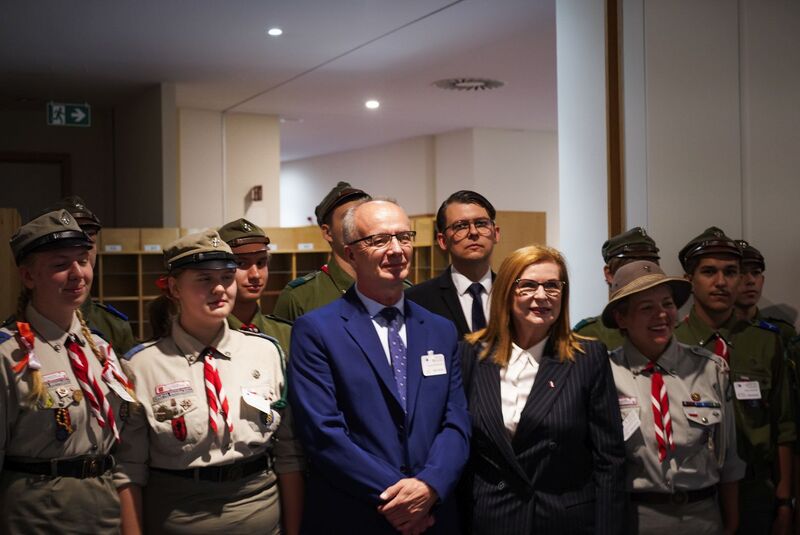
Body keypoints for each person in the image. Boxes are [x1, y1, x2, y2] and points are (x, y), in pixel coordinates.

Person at [288, 199, 471, 534]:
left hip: (434, 514)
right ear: (350, 252)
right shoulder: (317, 331)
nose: (397, 249)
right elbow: (323, 433)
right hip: (357, 513)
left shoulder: (440, 330)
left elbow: (455, 419)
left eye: (404, 237)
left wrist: (430, 486)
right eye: (379, 240)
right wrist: (402, 498)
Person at [114, 230, 305, 535]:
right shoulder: (142, 366)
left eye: (227, 277)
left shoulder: (266, 352)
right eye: (204, 279)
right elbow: (128, 470)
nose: (220, 288)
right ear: (175, 288)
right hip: (178, 516)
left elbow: (289, 454)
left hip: (260, 514)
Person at [459, 244, 626, 534]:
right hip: (491, 519)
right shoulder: (470, 354)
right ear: (506, 292)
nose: (541, 295)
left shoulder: (587, 357)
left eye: (552, 285)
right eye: (527, 286)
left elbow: (609, 460)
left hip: (563, 521)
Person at [1, 209, 130, 533]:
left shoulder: (99, 349)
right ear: (29, 276)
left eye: (83, 261)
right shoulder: (8, 354)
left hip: (103, 506)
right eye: (60, 265)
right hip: (39, 513)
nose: (78, 274)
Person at [602, 260, 745, 534]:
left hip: (702, 517)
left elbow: (730, 458)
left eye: (667, 304)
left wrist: (732, 521)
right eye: (647, 308)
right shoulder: (606, 373)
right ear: (622, 318)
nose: (662, 315)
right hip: (635, 518)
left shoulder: (710, 368)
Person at [674, 227, 795, 535]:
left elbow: (783, 426)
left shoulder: (765, 342)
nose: (721, 282)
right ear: (689, 280)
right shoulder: (671, 343)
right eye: (709, 272)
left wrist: (784, 503)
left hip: (756, 493)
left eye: (731, 272)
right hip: (695, 494)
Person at [406, 190, 500, 339]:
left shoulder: (514, 294)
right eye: (461, 226)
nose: (473, 232)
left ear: (496, 233)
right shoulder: (416, 301)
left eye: (481, 224)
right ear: (442, 240)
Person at [273, 181, 371, 321]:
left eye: (366, 216)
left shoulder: (399, 288)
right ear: (328, 233)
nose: (360, 224)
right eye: (349, 218)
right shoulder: (301, 297)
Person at [574, 227, 661, 351]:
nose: (643, 278)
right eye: (632, 270)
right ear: (609, 275)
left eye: (649, 268)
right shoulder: (589, 336)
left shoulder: (669, 329)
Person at [218, 217, 293, 357]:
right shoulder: (209, 336)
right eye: (241, 264)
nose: (255, 275)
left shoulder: (286, 334)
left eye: (260, 263)